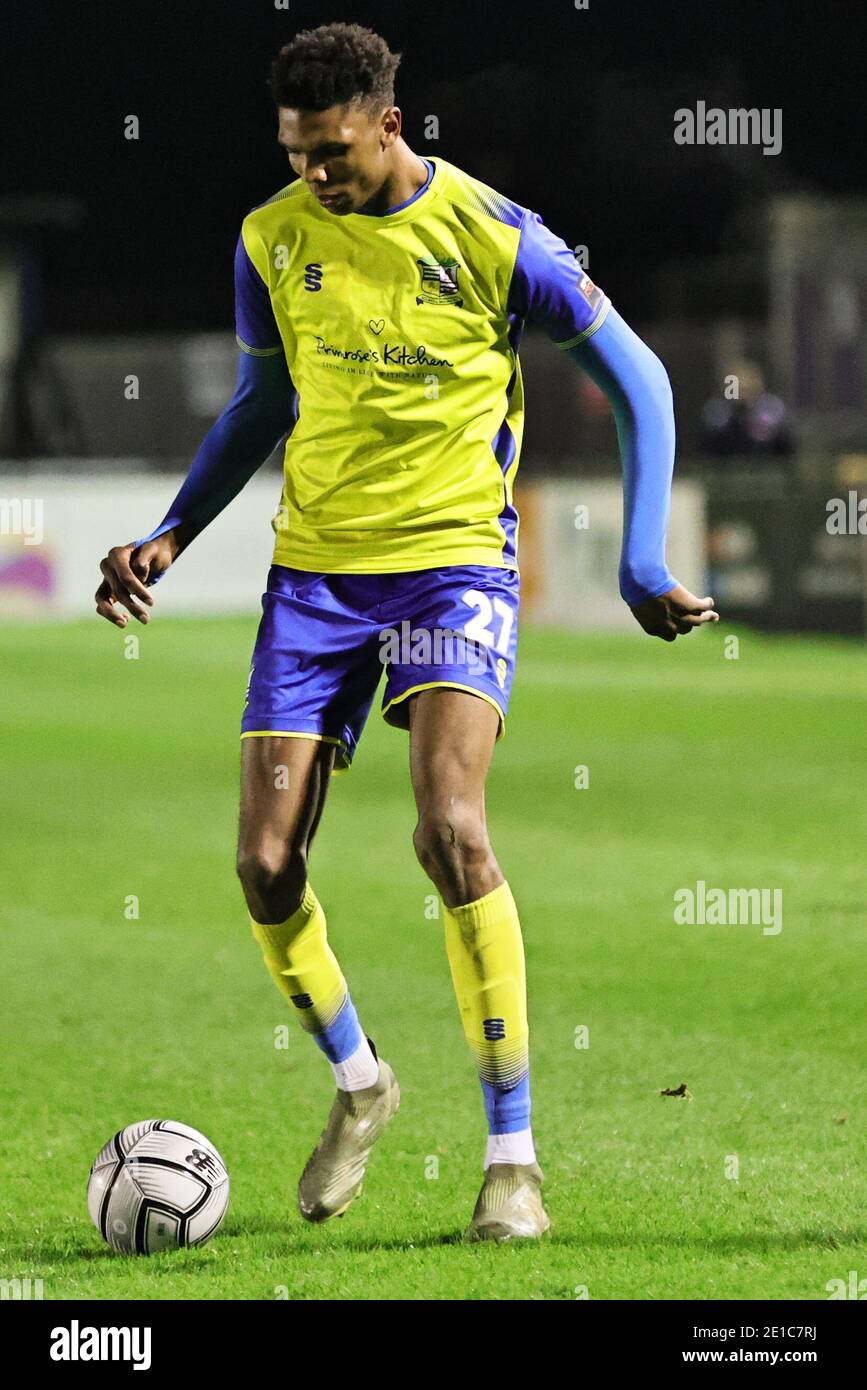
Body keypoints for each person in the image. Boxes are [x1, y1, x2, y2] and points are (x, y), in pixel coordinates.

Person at [94, 22, 718, 1242]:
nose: (311, 176)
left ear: (387, 122)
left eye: (329, 151)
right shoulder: (270, 239)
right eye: (293, 153)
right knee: (265, 864)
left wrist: (641, 559)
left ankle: (512, 1159)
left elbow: (640, 376)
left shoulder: (492, 233)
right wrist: (172, 533)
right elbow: (261, 401)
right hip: (315, 576)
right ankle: (361, 1081)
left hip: (452, 568)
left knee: (451, 827)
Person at [699, 358, 796, 460]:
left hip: (767, 469)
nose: (744, 395)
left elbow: (786, 447)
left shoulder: (773, 409)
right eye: (739, 389)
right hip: (726, 469)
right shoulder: (718, 411)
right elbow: (709, 445)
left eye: (748, 388)